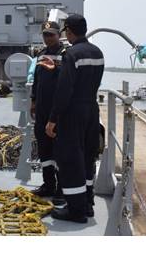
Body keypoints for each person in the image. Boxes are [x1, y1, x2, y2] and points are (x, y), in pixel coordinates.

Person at [46, 14, 104, 223]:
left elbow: (64, 90)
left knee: (71, 159)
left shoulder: (71, 54)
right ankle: (87, 203)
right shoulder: (97, 52)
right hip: (92, 110)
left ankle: (75, 210)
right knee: (88, 157)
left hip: (73, 112)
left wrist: (53, 119)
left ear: (69, 31)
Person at [30, 21, 65, 200]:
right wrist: (33, 100)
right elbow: (37, 79)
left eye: (51, 34)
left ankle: (61, 188)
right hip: (42, 108)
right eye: (45, 34)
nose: (48, 38)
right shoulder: (41, 54)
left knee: (59, 150)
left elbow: (68, 80)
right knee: (44, 147)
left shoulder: (66, 54)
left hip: (57, 108)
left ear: (59, 35)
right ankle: (48, 184)